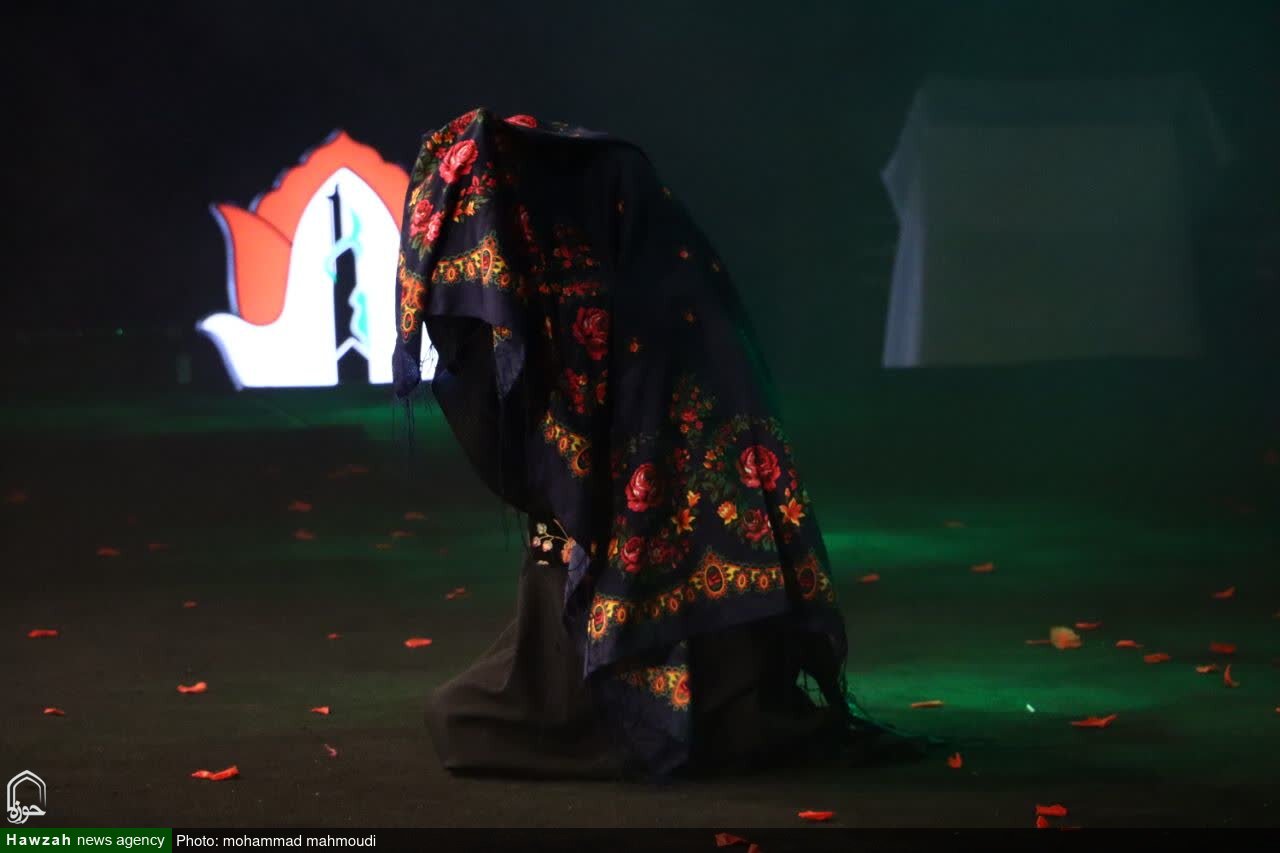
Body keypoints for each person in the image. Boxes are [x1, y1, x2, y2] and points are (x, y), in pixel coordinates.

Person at [393, 108, 918, 781]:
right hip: (698, 625)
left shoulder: (615, 328)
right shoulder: (641, 291)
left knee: (462, 720)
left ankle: (657, 720)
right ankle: (700, 714)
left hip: (665, 636)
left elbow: (528, 463)